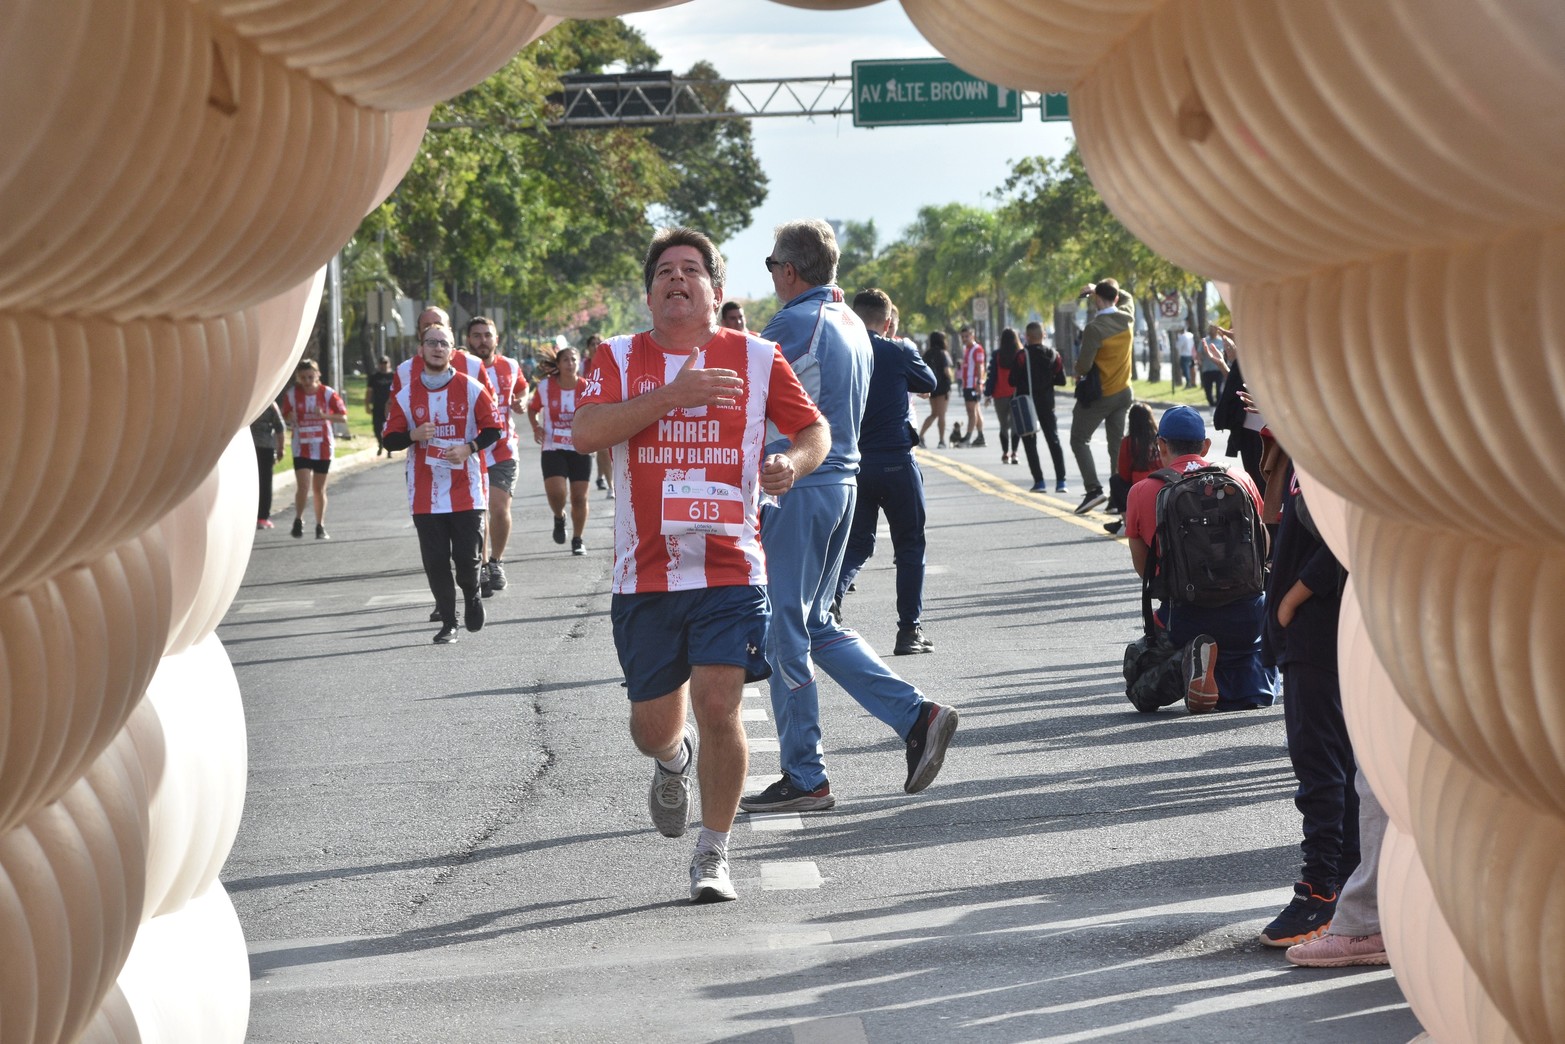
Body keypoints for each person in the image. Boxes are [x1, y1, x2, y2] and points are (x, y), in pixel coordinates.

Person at [572, 227, 829, 905]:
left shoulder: (755, 356)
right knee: (652, 725)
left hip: (730, 567)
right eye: (664, 272)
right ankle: (670, 759)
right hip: (645, 576)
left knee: (719, 704)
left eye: (691, 270)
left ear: (715, 290)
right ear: (650, 292)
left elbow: (813, 432)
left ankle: (712, 853)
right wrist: (670, 398)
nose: (677, 280)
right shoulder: (618, 357)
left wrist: (789, 464)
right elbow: (586, 431)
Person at [743, 218, 960, 816]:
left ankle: (805, 775)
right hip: (840, 481)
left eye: (770, 266)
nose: (771, 276)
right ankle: (917, 716)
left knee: (786, 632)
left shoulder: (792, 322)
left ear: (789, 270)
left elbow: (745, 392)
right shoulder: (850, 323)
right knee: (814, 624)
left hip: (800, 484)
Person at [1259, 464, 1360, 948]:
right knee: (1340, 765)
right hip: (1325, 634)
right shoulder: (1311, 449)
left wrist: (1291, 601)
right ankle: (1345, 883)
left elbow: (1348, 535)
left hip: (1318, 633)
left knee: (1320, 767)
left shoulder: (1329, 451)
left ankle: (1320, 890)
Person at [1124, 406, 1278, 712]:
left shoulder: (1142, 491)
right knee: (1251, 684)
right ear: (1205, 445)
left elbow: (1145, 569)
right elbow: (1265, 546)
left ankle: (1187, 660)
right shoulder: (1239, 479)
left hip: (1184, 617)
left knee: (1138, 681)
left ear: (1161, 445)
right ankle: (1235, 680)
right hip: (1248, 617)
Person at [379, 324, 503, 644]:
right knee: (435, 562)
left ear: (453, 351)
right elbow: (389, 439)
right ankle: (449, 621)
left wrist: (468, 448)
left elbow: (494, 429)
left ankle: (472, 595)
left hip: (466, 489)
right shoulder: (407, 396)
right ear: (420, 350)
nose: (436, 348)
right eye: (430, 342)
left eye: (443, 343)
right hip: (425, 493)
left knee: (466, 559)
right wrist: (412, 435)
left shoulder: (471, 388)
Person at [833, 288, 938, 655]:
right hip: (897, 461)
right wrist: (902, 346)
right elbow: (929, 383)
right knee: (909, 545)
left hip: (856, 463)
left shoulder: (840, 351)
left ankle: (832, 599)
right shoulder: (898, 350)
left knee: (858, 542)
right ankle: (909, 631)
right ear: (888, 321)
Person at [468, 317, 526, 595]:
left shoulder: (510, 366)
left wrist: (521, 401)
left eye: (487, 335)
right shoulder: (462, 368)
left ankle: (496, 562)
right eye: (476, 336)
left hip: (503, 447)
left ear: (496, 339)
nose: (482, 341)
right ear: (468, 340)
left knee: (499, 507)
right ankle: (479, 565)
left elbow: (522, 388)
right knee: (478, 513)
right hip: (472, 449)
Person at [1070, 279, 1135, 514]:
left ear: (1097, 299)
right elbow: (1125, 296)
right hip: (1124, 392)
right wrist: (1097, 286)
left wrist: (1075, 368)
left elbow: (1084, 366)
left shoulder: (1095, 329)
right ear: (1116, 298)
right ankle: (1117, 500)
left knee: (1079, 439)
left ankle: (1093, 490)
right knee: (1116, 447)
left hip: (1102, 395)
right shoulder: (1128, 315)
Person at [527, 345, 593, 556]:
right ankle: (559, 516)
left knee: (579, 498)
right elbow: (532, 408)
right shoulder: (545, 387)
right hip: (552, 446)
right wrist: (536, 426)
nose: (570, 364)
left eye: (574, 360)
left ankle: (577, 538)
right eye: (566, 360)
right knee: (556, 492)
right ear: (558, 364)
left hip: (580, 446)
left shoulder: (586, 387)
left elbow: (597, 411)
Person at [279, 358, 347, 540]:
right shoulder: (292, 394)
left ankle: (320, 525)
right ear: (298, 378)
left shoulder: (327, 394)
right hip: (301, 447)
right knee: (303, 486)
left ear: (318, 375)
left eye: (310, 376)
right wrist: (289, 416)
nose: (307, 381)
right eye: (303, 378)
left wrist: (324, 415)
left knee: (319, 489)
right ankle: (298, 519)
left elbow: (343, 417)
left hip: (323, 446)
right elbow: (285, 416)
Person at [1012, 321, 1068, 494]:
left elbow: (1012, 380)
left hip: (1027, 405)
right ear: (1043, 335)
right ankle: (1061, 481)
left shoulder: (1022, 356)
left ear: (1027, 337)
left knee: (1030, 443)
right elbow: (1062, 380)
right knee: (1053, 440)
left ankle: (1039, 482)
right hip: (1047, 403)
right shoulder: (1053, 355)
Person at [1102, 401, 1160, 534]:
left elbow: (1124, 473)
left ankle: (1128, 522)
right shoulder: (1160, 439)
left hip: (1139, 487)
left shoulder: (1128, 442)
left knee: (1115, 481)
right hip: (1162, 483)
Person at [985, 326, 1022, 464]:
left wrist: (988, 393)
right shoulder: (1020, 354)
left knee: (1003, 425)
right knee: (1015, 424)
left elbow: (992, 375)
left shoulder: (997, 355)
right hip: (1016, 393)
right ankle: (1015, 453)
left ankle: (1005, 453)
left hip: (999, 394)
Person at [250, 401, 286, 529]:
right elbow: (280, 427)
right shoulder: (270, 405)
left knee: (254, 482)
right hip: (264, 446)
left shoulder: (250, 402)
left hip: (252, 447)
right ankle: (262, 517)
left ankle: (254, 515)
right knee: (265, 483)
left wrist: (280, 447)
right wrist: (281, 448)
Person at [916, 331, 954, 448]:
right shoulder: (943, 354)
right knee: (941, 415)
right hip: (943, 387)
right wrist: (951, 379)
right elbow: (946, 371)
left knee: (934, 413)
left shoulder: (927, 354)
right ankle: (942, 441)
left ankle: (920, 436)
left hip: (932, 387)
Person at [953, 325, 986, 447]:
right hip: (967, 384)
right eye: (963, 337)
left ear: (973, 335)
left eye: (967, 336)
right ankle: (980, 436)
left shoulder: (977, 349)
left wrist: (979, 383)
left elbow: (980, 367)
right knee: (975, 410)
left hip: (973, 385)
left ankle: (967, 438)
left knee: (971, 411)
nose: (964, 339)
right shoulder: (967, 349)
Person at [366, 355, 395, 457]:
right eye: (381, 364)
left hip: (390, 408)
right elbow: (369, 392)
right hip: (377, 406)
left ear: (389, 363)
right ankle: (380, 444)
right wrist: (367, 405)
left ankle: (389, 449)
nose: (383, 365)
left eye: (385, 363)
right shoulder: (374, 377)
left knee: (389, 428)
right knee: (377, 428)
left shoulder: (394, 376)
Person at [1199, 324, 1226, 407]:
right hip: (1207, 369)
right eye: (1210, 329)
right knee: (1208, 390)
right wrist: (1199, 360)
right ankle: (1212, 404)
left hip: (1219, 369)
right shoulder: (1204, 341)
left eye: (1213, 329)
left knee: (1219, 391)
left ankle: (1218, 406)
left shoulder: (1221, 341)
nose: (1211, 331)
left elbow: (1226, 353)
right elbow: (1199, 352)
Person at [1174, 324, 1196, 390]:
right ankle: (1193, 382)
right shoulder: (1190, 335)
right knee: (1191, 369)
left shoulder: (1182, 337)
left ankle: (1188, 382)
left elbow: (1178, 346)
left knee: (1186, 369)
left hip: (1184, 355)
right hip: (1191, 354)